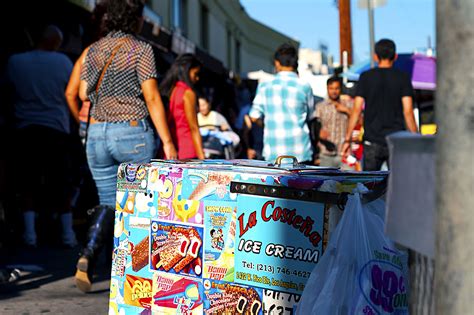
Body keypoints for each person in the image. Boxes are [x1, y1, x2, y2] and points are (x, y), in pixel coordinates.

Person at [75, 0, 177, 292]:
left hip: (96, 135)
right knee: (136, 207)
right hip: (131, 132)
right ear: (137, 21)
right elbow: (153, 97)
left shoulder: (93, 50)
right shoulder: (141, 49)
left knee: (108, 202)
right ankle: (134, 276)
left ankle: (89, 253)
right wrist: (168, 142)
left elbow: (83, 92)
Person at [7, 25, 76, 248]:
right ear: (55, 42)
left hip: (25, 128)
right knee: (61, 183)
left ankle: (30, 234)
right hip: (56, 128)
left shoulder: (15, 61)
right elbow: (71, 93)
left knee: (27, 182)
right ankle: (67, 234)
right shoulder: (63, 62)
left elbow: (8, 92)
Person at [342, 39, 418, 171]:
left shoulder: (366, 77)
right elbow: (408, 112)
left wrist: (347, 139)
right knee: (397, 185)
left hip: (371, 141)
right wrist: (416, 138)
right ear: (395, 56)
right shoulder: (403, 78)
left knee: (370, 186)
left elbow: (356, 109)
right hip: (396, 141)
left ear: (375, 56)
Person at [249, 43, 314, 164]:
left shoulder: (265, 86)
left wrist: (267, 125)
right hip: (300, 152)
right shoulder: (304, 86)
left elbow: (253, 116)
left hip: (274, 153)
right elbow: (310, 116)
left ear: (277, 63)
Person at [160, 54, 205, 159]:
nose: (197, 78)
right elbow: (193, 127)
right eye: (196, 74)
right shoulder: (188, 93)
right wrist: (202, 157)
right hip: (187, 150)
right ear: (187, 70)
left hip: (170, 150)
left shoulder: (170, 91)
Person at [313, 76, 353, 168]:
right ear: (327, 88)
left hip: (344, 152)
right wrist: (319, 133)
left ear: (340, 89)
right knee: (326, 182)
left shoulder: (348, 104)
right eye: (331, 88)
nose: (334, 91)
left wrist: (347, 110)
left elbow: (359, 121)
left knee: (348, 182)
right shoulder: (320, 107)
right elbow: (314, 127)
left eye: (336, 88)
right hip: (326, 154)